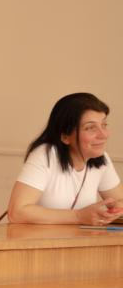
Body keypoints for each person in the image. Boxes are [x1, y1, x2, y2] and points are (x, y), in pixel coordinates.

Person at [7, 92, 123, 224]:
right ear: (65, 136)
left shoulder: (101, 159)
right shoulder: (45, 155)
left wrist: (111, 212)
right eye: (90, 128)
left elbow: (120, 201)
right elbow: (17, 213)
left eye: (104, 125)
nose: (104, 135)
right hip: (38, 242)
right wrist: (79, 216)